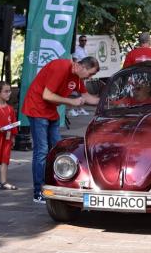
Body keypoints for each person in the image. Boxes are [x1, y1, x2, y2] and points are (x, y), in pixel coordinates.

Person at [22, 57, 100, 203]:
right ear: (81, 67)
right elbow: (47, 95)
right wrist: (71, 101)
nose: (90, 78)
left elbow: (87, 97)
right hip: (37, 109)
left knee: (58, 149)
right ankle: (38, 192)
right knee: (42, 150)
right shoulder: (61, 67)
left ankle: (55, 185)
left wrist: (107, 101)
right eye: (90, 74)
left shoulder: (77, 77)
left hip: (51, 112)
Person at [69, 35, 90, 116]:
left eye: (85, 40)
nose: (84, 41)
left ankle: (80, 109)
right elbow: (75, 62)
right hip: (78, 74)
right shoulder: (77, 50)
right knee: (74, 92)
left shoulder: (85, 50)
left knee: (81, 92)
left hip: (84, 74)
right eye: (82, 40)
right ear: (79, 41)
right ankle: (71, 109)